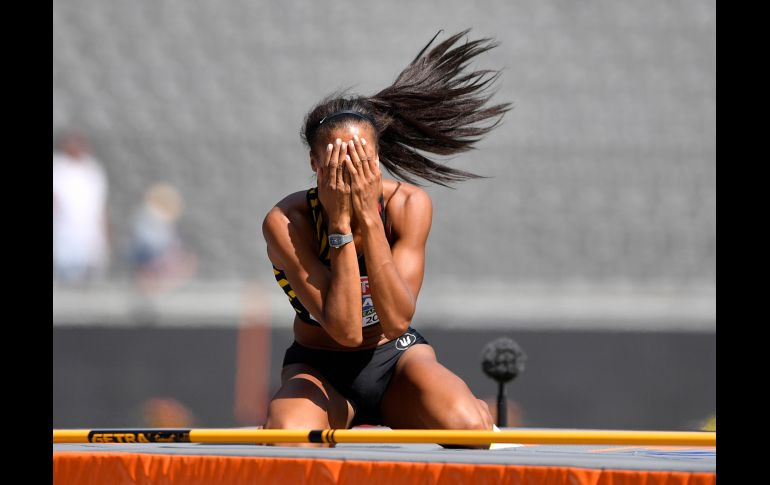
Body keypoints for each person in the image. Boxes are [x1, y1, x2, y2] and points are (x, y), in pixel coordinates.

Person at [261, 30, 511, 448]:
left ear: (378, 160)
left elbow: (395, 320)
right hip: (320, 367)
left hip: (396, 359)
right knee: (288, 435)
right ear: (314, 164)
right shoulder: (288, 221)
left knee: (469, 429)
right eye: (340, 163)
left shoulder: (408, 206)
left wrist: (369, 221)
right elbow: (344, 331)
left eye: (363, 162)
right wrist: (341, 227)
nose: (354, 175)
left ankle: (476, 413)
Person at [52, 133, 110, 285]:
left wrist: (104, 234)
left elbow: (100, 205)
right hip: (63, 235)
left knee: (89, 282)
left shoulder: (93, 170)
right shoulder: (58, 168)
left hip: (90, 235)